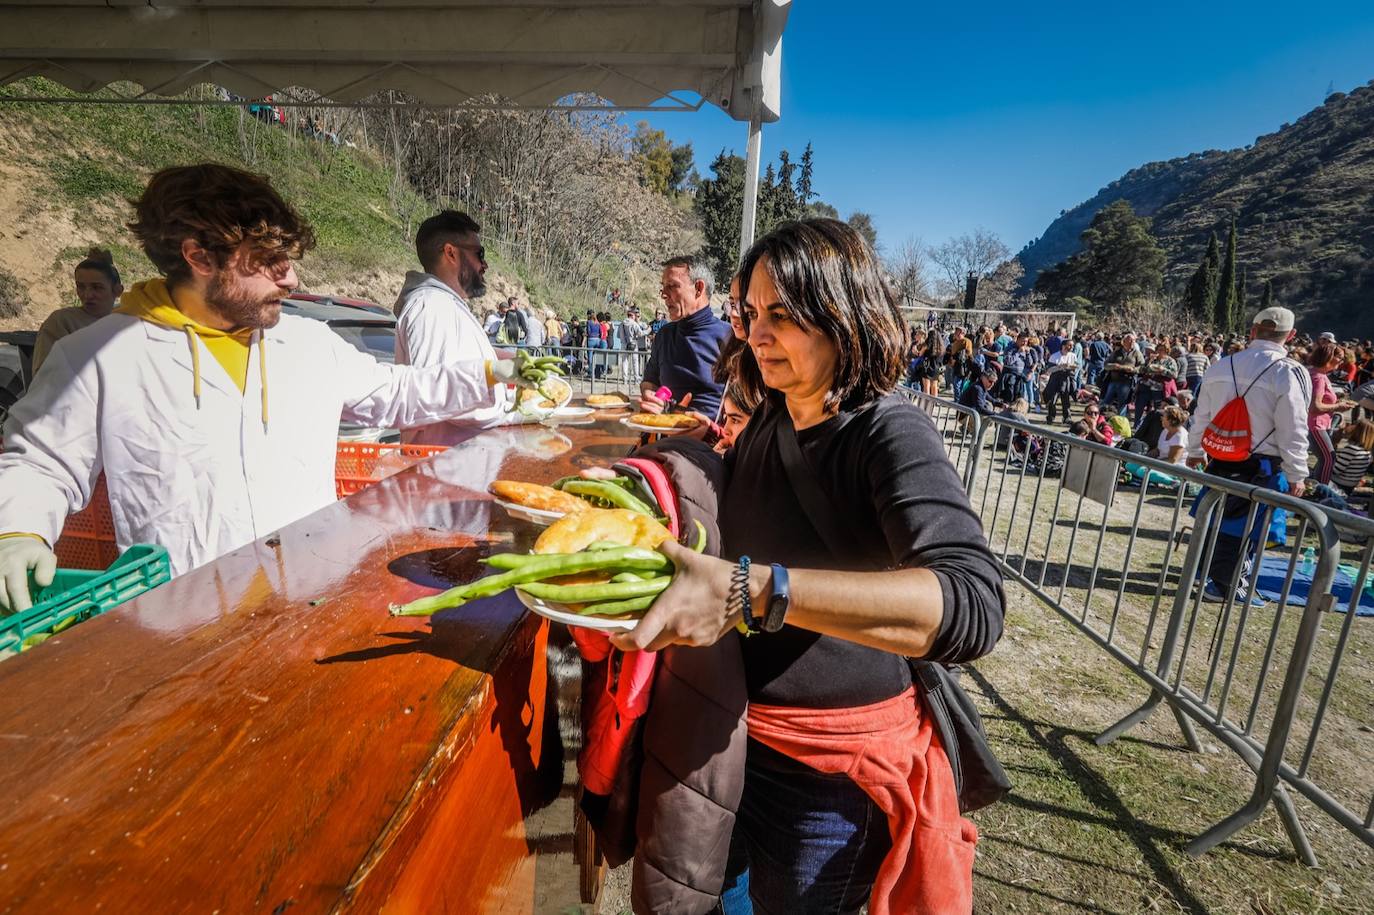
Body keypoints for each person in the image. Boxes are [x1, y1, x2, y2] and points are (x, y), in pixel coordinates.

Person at [614, 218, 1002, 914]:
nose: (756, 333)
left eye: (782, 315)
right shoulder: (773, 415)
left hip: (828, 782)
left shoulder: (887, 429)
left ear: (843, 316)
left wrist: (754, 589)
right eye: (751, 313)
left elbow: (971, 601)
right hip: (735, 738)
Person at [0, 164, 542, 609]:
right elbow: (39, 462)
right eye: (269, 262)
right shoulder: (99, 356)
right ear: (200, 257)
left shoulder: (307, 342)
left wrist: (494, 371)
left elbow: (396, 390)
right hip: (181, 619)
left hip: (313, 600)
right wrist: (17, 531)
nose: (291, 279)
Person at [1188, 306, 1311, 606]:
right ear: (1291, 336)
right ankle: (1226, 586)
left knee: (1217, 519)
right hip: (1262, 464)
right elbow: (1292, 428)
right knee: (1245, 530)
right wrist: (1298, 473)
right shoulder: (1288, 372)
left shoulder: (1221, 365)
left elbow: (1200, 416)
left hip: (1221, 458)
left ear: (1253, 330)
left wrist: (1194, 451)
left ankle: (1207, 576)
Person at [393, 210, 517, 445]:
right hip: (441, 466)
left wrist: (514, 362)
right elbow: (433, 391)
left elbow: (458, 362)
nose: (485, 264)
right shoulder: (430, 306)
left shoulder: (445, 304)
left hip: (462, 461)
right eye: (479, 254)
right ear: (451, 253)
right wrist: (512, 411)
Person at [639, 255, 732, 418]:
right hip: (666, 433)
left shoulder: (730, 337)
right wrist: (650, 395)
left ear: (698, 288)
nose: (664, 295)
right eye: (663, 287)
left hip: (712, 439)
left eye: (672, 286)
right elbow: (651, 380)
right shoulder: (664, 335)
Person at [32, 247, 124, 374]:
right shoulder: (61, 322)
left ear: (117, 290)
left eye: (97, 287)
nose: (87, 294)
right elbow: (44, 376)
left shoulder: (127, 321)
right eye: (81, 287)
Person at [1305, 341, 1358, 485]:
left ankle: (1314, 486)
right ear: (1328, 357)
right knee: (1329, 458)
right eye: (1339, 357)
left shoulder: (1315, 373)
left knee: (1325, 458)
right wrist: (1338, 406)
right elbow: (1315, 406)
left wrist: (1336, 400)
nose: (1341, 361)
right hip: (1315, 425)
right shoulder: (1319, 377)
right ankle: (1320, 493)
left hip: (1315, 424)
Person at [1101, 334, 1143, 412]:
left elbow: (1142, 367)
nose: (1132, 342)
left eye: (1133, 340)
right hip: (1113, 381)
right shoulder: (1116, 352)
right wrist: (1114, 366)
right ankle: (1102, 418)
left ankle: (1121, 420)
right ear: (1124, 341)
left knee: (1122, 403)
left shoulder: (1137, 353)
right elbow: (1106, 365)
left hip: (1126, 382)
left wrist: (1133, 369)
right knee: (1106, 401)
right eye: (1130, 340)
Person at [1330, 418, 1373, 495]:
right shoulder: (1367, 453)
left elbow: (1335, 471)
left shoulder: (1351, 449)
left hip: (1338, 484)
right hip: (1351, 485)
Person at [1042, 342, 1079, 424]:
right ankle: (1051, 416)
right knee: (1052, 399)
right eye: (1069, 345)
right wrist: (1060, 367)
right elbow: (1049, 370)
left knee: (1066, 400)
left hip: (1066, 379)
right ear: (1063, 346)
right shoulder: (1054, 356)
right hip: (1055, 379)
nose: (1071, 347)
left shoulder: (1073, 356)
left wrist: (1071, 367)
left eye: (1072, 345)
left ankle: (1067, 417)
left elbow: (1076, 367)